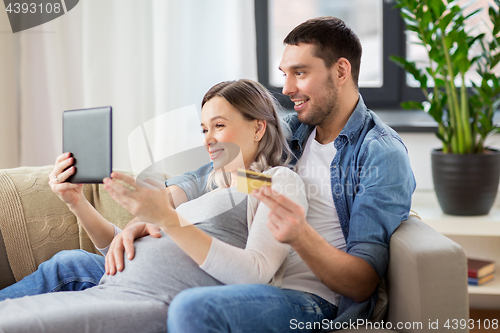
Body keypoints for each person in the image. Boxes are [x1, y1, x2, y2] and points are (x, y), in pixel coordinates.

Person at [164, 16, 416, 332]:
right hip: (256, 279)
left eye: (300, 73)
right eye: (285, 74)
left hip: (311, 300)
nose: (286, 88)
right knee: (84, 267)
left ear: (340, 71)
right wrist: (159, 206)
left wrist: (300, 234)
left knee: (193, 309)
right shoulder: (293, 130)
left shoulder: (380, 153)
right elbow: (212, 169)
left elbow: (361, 282)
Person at [0, 79, 308, 333]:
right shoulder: (210, 185)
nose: (208, 139)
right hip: (111, 286)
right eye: (204, 129)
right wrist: (76, 202)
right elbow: (120, 252)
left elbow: (256, 273)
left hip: (145, 299)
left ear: (258, 128)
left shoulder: (275, 182)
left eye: (219, 125)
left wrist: (167, 218)